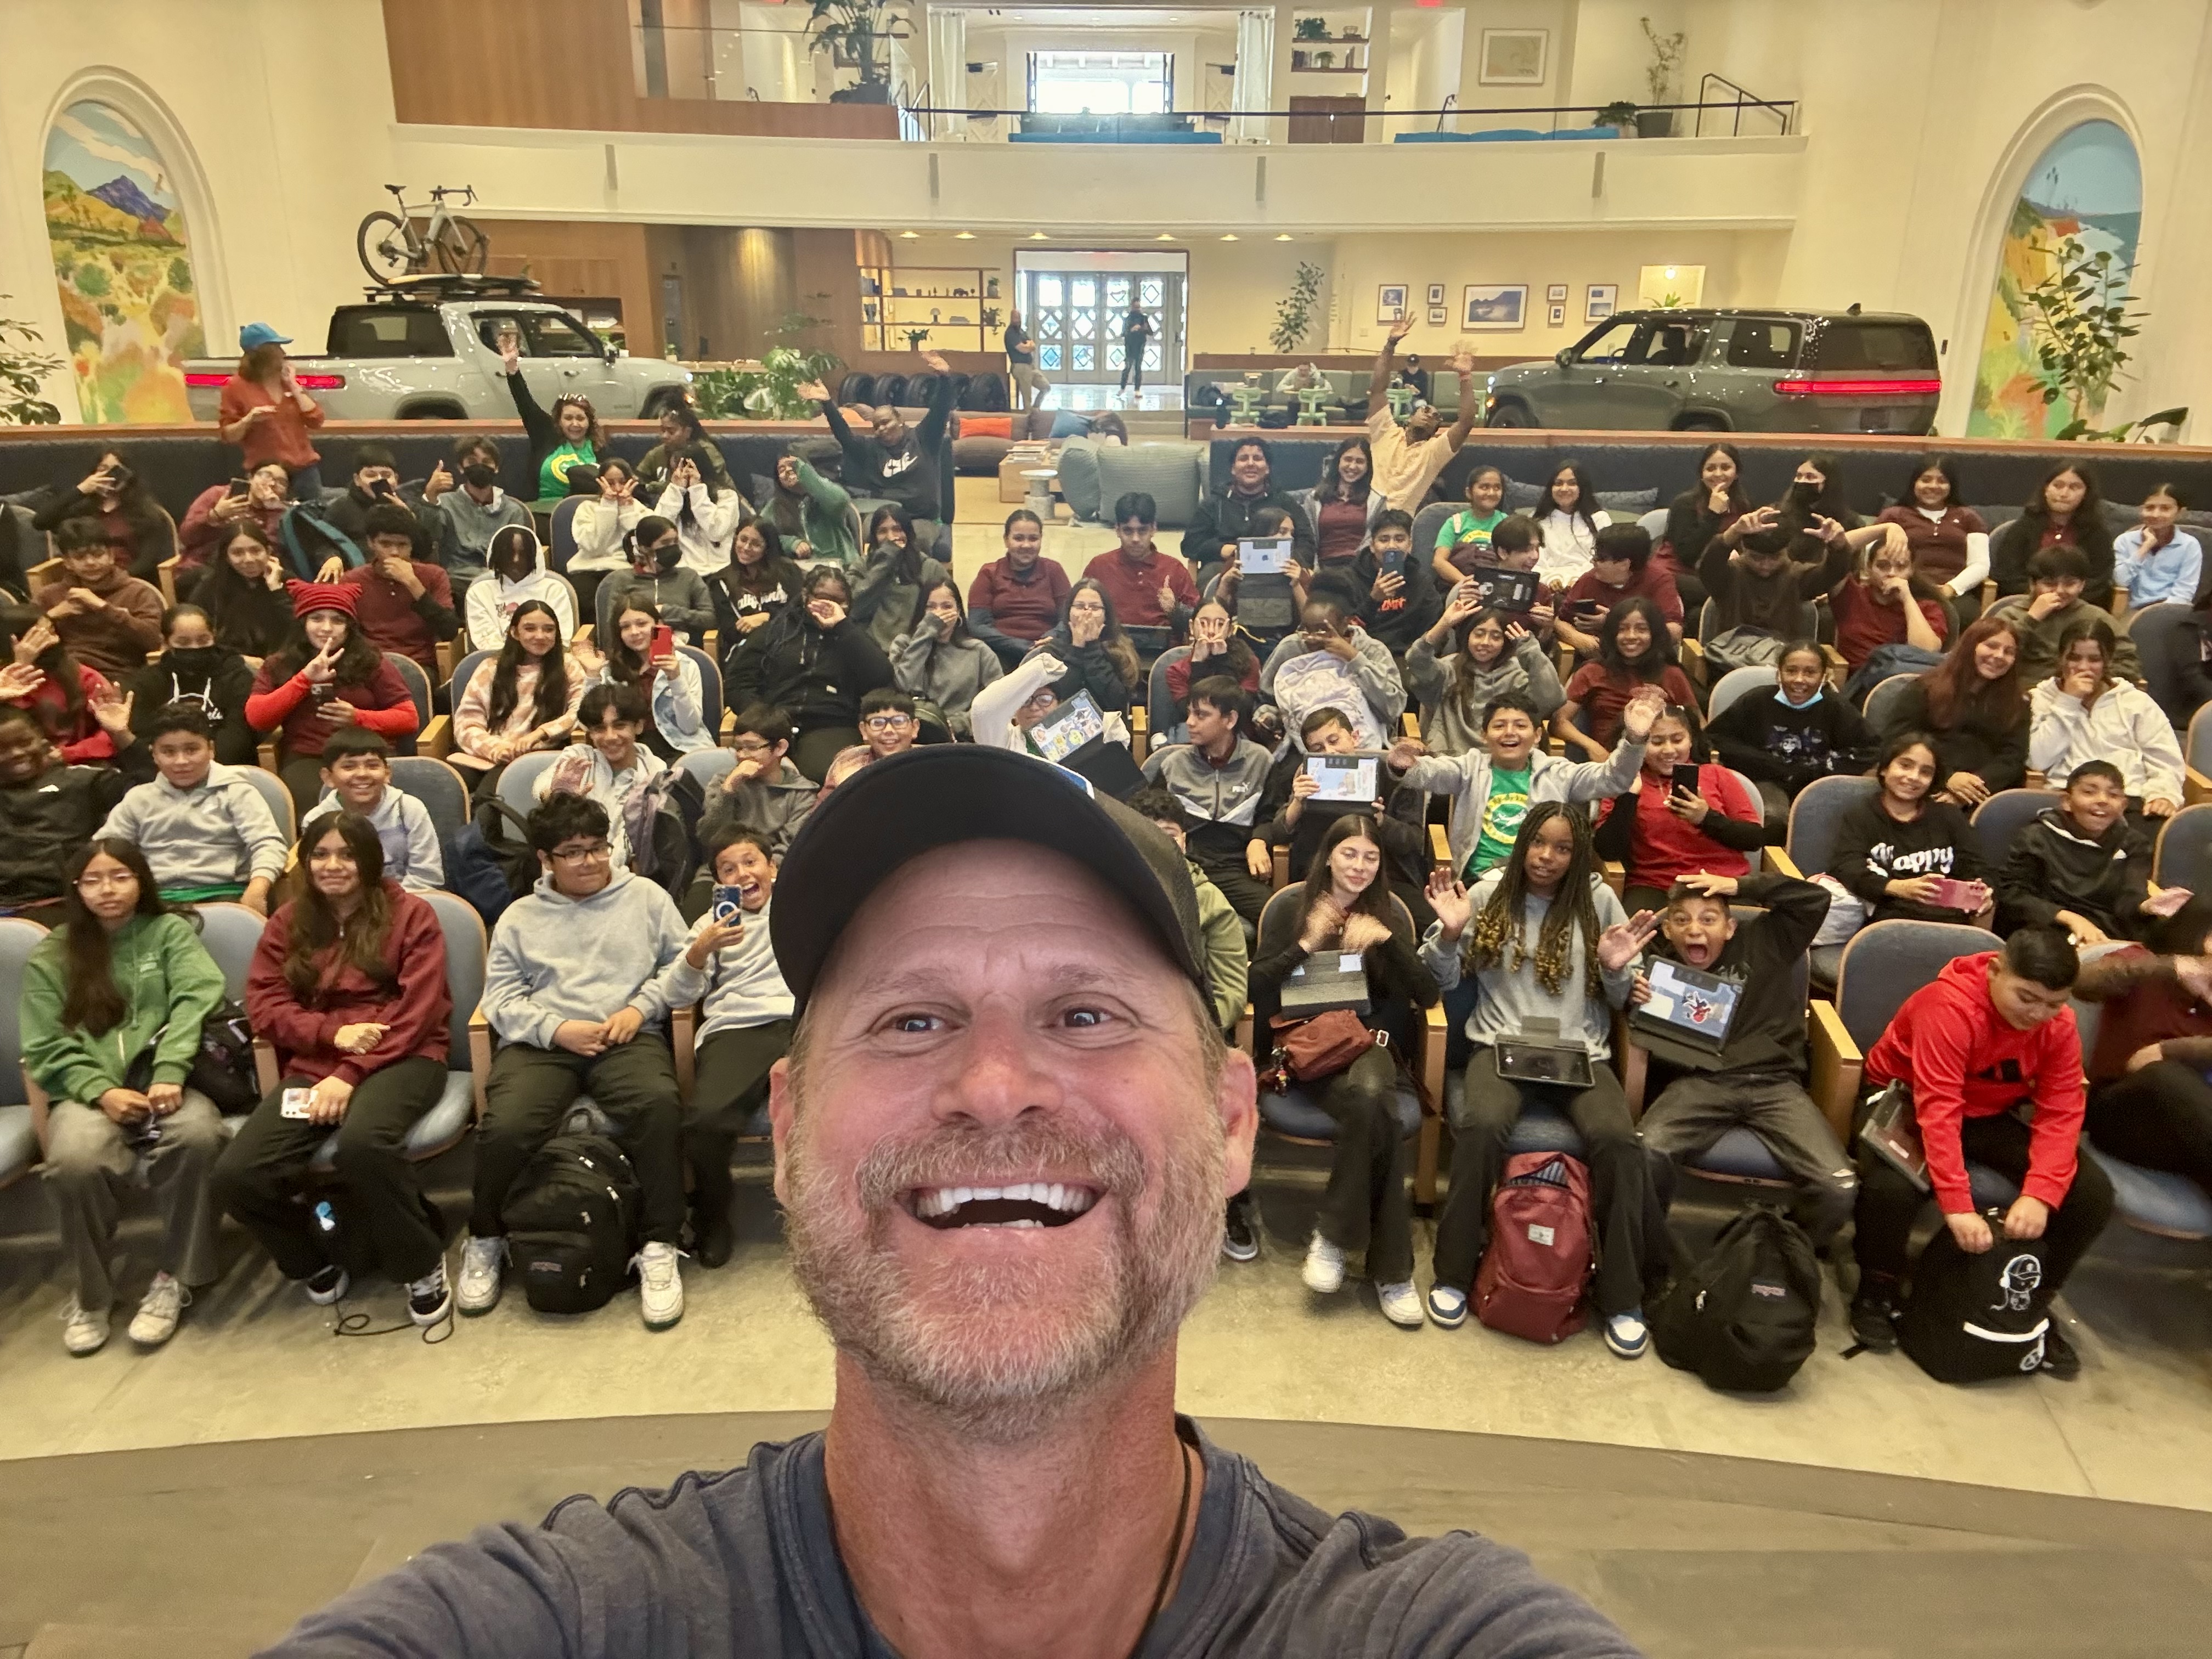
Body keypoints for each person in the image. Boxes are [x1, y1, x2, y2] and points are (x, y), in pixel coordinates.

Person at [268, 743, 1637, 1654]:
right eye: (912, 1020)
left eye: (1088, 1012)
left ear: (1229, 1124)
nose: (994, 1087)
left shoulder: (1434, 1632)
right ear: (791, 1138)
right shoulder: (573, 1620)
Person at [1420, 805, 1666, 1355]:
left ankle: (1623, 1297)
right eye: (1538, 844)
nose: (1546, 858)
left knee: (1619, 1141)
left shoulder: (1598, 902)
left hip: (1580, 1053)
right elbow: (1432, 979)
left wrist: (1617, 969)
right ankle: (1454, 1274)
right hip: (1501, 1046)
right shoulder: (1486, 894)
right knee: (1480, 1125)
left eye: (1561, 848)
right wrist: (1450, 935)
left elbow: (1626, 996)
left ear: (1576, 856)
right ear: (1521, 844)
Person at [456, 792, 692, 1329]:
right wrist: (556, 1029)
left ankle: (660, 1242)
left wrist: (640, 1008)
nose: (589, 861)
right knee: (506, 1127)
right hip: (547, 1043)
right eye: (572, 852)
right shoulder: (520, 917)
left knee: (658, 1107)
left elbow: (683, 970)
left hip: (624, 1034)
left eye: (597, 848)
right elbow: (501, 999)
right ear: (545, 860)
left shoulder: (648, 899)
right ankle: (487, 1237)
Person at [212, 810, 456, 1324]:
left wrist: (351, 1073)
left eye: (347, 854)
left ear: (369, 861)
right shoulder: (288, 922)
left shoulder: (411, 915)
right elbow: (265, 1003)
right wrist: (329, 1037)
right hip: (316, 1064)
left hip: (406, 1058)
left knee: (364, 1146)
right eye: (320, 854)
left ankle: (420, 1262)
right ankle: (312, 1257)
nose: (333, 865)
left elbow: (419, 1011)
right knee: (238, 1174)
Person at [1847, 926, 2114, 1379]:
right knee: (1890, 1187)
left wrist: (2041, 1193)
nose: (2039, 1014)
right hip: (1904, 1098)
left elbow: (2062, 1110)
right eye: (2027, 997)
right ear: (1994, 972)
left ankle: (2030, 1301)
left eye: (2055, 1004)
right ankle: (1879, 1285)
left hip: (1989, 1112)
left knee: (2089, 1192)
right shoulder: (1948, 1007)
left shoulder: (2058, 1025)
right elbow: (1938, 1107)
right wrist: (1958, 1205)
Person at [22, 838, 228, 1355]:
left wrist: (171, 1071)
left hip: (170, 1083)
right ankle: (92, 1295)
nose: (107, 889)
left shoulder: (169, 933)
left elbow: (196, 1001)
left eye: (119, 876)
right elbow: (45, 1042)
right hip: (90, 1091)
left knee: (199, 1137)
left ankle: (175, 1279)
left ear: (141, 881)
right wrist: (101, 1090)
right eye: (92, 880)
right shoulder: (54, 952)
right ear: (76, 890)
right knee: (74, 1160)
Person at [1248, 814, 1437, 1327]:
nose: (1359, 866)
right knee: (1377, 1111)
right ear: (1329, 856)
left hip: (1367, 1048)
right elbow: (1255, 988)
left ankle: (1332, 1238)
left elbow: (1428, 994)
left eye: (1370, 857)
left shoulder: (1388, 915)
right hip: (1306, 1050)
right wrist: (1306, 945)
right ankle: (1393, 1271)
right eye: (1349, 853)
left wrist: (1386, 941)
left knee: (1371, 1093)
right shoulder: (1295, 908)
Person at [1632, 870, 1856, 1250]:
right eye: (1682, 920)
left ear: (1731, 927)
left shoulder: (1768, 939)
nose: (1695, 931)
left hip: (1775, 1085)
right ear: (1668, 930)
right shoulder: (1659, 964)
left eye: (1708, 919)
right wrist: (1627, 989)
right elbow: (1623, 994)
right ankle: (1652, 1257)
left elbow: (1814, 900)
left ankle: (1782, 1252)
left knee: (1838, 1186)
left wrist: (1743, 886)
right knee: (1646, 1152)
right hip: (1701, 1082)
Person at [660, 827, 791, 1268]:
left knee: (849, 1107)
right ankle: (713, 1217)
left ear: (772, 867)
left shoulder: (803, 903)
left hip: (804, 1022)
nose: (743, 875)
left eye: (751, 862)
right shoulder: (708, 925)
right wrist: (701, 951)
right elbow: (677, 996)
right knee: (705, 1121)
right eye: (728, 869)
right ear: (719, 883)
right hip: (738, 1029)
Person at [1394, 684, 1659, 883]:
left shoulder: (1558, 773)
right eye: (1499, 726)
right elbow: (1427, 773)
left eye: (1520, 725)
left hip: (1543, 880)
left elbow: (1614, 779)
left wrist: (1635, 739)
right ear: (1485, 736)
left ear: (1537, 735)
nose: (1510, 732)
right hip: (1480, 880)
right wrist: (1402, 763)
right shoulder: (1470, 767)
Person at [2075, 897, 2212, 1217]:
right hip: (2122, 1112)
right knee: (2164, 1076)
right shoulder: (2142, 962)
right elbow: (2080, 982)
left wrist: (2168, 1050)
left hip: (2190, 1129)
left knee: (2168, 1070)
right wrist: (2170, 968)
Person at [245, 585, 421, 812]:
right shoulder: (279, 664)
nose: (327, 628)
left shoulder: (372, 661)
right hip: (310, 758)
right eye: (317, 619)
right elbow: (258, 718)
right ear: (303, 624)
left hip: (367, 754)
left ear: (349, 627)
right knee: (323, 814)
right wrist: (304, 679)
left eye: (337, 620)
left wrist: (357, 718)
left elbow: (409, 718)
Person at [97, 702, 284, 910]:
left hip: (225, 895)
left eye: (192, 750)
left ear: (211, 749)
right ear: (154, 754)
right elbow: (106, 849)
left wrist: (257, 889)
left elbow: (267, 844)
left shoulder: (237, 792)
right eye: (168, 752)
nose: (181, 761)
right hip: (155, 899)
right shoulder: (138, 799)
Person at [1254, 706, 1430, 921]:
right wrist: (1298, 802)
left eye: (1334, 740)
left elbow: (1412, 841)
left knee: (1425, 922)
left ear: (1354, 737)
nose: (1329, 752)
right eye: (1318, 748)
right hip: (1323, 877)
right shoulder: (1310, 774)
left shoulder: (1396, 773)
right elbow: (1280, 834)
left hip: (1387, 877)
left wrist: (1382, 821)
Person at [726, 565, 894, 782]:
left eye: (838, 601)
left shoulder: (854, 638)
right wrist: (762, 715)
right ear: (806, 596)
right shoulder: (775, 632)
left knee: (825, 775)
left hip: (830, 723)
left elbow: (881, 677)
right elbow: (737, 682)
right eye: (822, 598)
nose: (829, 606)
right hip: (772, 721)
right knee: (753, 774)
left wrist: (842, 628)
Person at [1593, 703, 1763, 914]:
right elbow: (1608, 850)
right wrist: (1629, 797)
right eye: (1656, 742)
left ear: (1690, 740)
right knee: (1634, 935)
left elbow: (1754, 839)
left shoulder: (1718, 775)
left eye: (1677, 740)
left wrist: (1706, 818)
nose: (1669, 750)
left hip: (1723, 881)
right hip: (1657, 886)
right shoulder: (1624, 781)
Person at [0, 699, 153, 915]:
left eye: (25, 743)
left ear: (43, 742)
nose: (16, 753)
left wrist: (121, 735)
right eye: (2, 749)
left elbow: (151, 789)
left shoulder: (82, 781)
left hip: (63, 903)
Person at [1141, 675, 1272, 923]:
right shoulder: (1174, 764)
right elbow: (1150, 814)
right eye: (1190, 713)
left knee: (1279, 916)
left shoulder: (1260, 761)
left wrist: (1259, 840)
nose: (1190, 723)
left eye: (1201, 715)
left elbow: (1270, 812)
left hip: (1235, 867)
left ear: (1230, 720)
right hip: (1184, 865)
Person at [1706, 639, 1873, 834]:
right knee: (1774, 818)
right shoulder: (1757, 701)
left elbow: (1869, 750)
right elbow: (1716, 737)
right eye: (1791, 671)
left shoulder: (1836, 707)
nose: (1799, 680)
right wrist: (1769, 764)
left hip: (1816, 784)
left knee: (1830, 825)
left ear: (1824, 677)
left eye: (1810, 673)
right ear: (1779, 674)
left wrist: (1818, 769)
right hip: (1767, 781)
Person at [1827, 731, 1992, 926]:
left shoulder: (1949, 816)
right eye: (1905, 766)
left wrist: (1984, 890)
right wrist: (1897, 887)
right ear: (1884, 769)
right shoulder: (1862, 816)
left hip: (1950, 923)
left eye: (1926, 772)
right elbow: (1846, 867)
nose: (1914, 777)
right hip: (1890, 923)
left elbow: (1979, 867)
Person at [2028, 614, 2182, 821]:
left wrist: (2163, 794)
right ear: (2061, 659)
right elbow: (2038, 760)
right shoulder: (2041, 699)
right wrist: (2068, 701)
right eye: (2074, 658)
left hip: (2129, 800)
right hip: (2067, 802)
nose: (2084, 668)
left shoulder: (2135, 702)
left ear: (2107, 661)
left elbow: (2165, 761)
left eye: (2094, 660)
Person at [1874, 616, 2028, 808]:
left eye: (2009, 652)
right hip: (1924, 785)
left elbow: (2013, 758)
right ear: (1970, 646)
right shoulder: (1925, 689)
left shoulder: (2017, 704)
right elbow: (1897, 740)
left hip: (1984, 795)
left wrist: (1971, 789)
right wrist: (1947, 777)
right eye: (1991, 646)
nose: (1999, 656)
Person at [1996, 759, 2155, 943]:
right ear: (2067, 801)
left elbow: (2130, 898)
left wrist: (2145, 906)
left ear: (2123, 805)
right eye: (2089, 792)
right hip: (2049, 927)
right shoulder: (2036, 837)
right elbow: (2013, 896)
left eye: (2113, 795)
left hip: (2108, 930)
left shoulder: (2134, 843)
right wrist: (2071, 919)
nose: (2102, 800)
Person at [802, 353, 958, 531]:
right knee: (868, 534)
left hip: (922, 518)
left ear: (900, 421)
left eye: (885, 422)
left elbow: (940, 410)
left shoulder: (923, 438)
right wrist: (828, 404)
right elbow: (844, 436)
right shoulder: (870, 449)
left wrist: (945, 379)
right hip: (884, 515)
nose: (881, 429)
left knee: (914, 542)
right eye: (876, 427)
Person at [1407, 593, 1564, 755]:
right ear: (1468, 636)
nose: (1486, 643)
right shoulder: (1449, 668)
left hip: (1503, 761)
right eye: (1479, 634)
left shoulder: (1517, 673)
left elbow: (1551, 698)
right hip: (1451, 760)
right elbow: (1416, 661)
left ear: (1505, 641)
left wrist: (1531, 652)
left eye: (1496, 637)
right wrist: (1444, 624)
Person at [537, 682, 668, 873]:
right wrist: (559, 795)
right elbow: (541, 788)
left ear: (638, 726)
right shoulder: (577, 757)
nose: (610, 737)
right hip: (566, 873)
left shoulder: (656, 772)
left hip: (623, 877)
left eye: (619, 726)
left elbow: (637, 844)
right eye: (599, 729)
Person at [1696, 515, 1864, 660]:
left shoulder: (1796, 576)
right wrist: (1732, 533)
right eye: (1756, 558)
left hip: (1782, 668)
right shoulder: (1729, 576)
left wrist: (1838, 547)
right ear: (1744, 550)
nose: (1765, 565)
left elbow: (1834, 573)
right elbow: (1708, 566)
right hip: (1729, 660)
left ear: (1786, 552)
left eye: (1774, 558)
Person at [452, 599, 585, 779]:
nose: (540, 636)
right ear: (514, 632)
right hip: (489, 753)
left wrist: (541, 734)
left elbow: (579, 712)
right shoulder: (490, 668)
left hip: (541, 754)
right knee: (448, 782)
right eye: (530, 629)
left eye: (549, 629)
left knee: (492, 794)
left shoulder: (569, 665)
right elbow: (467, 723)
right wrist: (497, 749)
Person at [1260, 588, 1403, 751]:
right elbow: (1268, 699)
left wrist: (1354, 658)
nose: (1312, 638)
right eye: (1306, 629)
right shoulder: (1291, 648)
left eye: (1322, 630)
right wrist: (1268, 717)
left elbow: (1393, 708)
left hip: (1364, 742)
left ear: (1345, 623)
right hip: (1303, 745)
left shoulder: (1372, 650)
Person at [1555, 596, 1696, 760]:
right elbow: (1559, 722)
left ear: (1654, 634)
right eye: (1622, 629)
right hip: (1610, 763)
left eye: (1641, 629)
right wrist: (1592, 747)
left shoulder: (1672, 674)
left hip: (1662, 762)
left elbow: (1696, 724)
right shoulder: (1592, 671)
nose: (1631, 636)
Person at [1361, 320, 1479, 511]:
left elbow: (1466, 423)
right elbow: (1377, 390)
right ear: (1409, 418)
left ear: (1435, 431)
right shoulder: (1385, 432)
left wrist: (1465, 376)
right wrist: (1390, 344)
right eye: (1425, 410)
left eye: (1436, 416)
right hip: (1365, 512)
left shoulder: (1433, 452)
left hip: (1400, 523)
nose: (1430, 415)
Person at [573, 599, 711, 761]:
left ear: (659, 625)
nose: (634, 632)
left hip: (679, 747)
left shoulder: (685, 665)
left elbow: (689, 727)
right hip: (626, 749)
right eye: (625, 627)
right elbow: (586, 725)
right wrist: (593, 677)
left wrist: (675, 679)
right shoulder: (609, 670)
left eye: (641, 624)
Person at [123, 603, 260, 766]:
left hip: (225, 768)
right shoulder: (147, 681)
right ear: (166, 642)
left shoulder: (236, 676)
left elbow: (239, 735)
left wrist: (199, 766)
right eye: (183, 642)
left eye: (203, 640)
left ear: (214, 636)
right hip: (162, 770)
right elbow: (142, 736)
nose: (195, 647)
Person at [1983, 546, 2142, 685]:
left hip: (2082, 696)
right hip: (2023, 694)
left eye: (2070, 584)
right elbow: (1992, 656)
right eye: (2050, 584)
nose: (2060, 591)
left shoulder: (2095, 616)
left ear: (2082, 585)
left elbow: (2127, 661)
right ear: (2033, 584)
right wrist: (2032, 619)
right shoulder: (2011, 614)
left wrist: (2095, 682)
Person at [310, 728, 443, 892]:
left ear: (387, 773)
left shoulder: (409, 810)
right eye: (349, 767)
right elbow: (319, 881)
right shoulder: (316, 819)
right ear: (328, 777)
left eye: (372, 766)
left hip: (406, 902)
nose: (362, 774)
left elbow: (427, 877)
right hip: (342, 906)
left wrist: (384, 907)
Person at [1829, 521, 1950, 699]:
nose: (1892, 573)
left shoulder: (1927, 607)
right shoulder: (1850, 594)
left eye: (1901, 567)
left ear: (1911, 572)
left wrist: (1907, 599)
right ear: (1868, 569)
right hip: (1859, 686)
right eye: (1883, 566)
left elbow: (1926, 652)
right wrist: (1885, 528)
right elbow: (1838, 547)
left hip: (1907, 686)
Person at [338, 503, 460, 678]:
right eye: (386, 544)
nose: (395, 552)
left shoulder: (434, 575)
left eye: (402, 545)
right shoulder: (352, 580)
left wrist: (413, 584)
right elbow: (345, 633)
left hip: (419, 665)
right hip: (368, 664)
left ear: (412, 546)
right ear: (371, 543)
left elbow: (450, 630)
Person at [35, 520, 164, 680]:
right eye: (80, 557)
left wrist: (104, 608)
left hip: (119, 674)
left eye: (98, 555)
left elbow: (153, 641)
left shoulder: (137, 592)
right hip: (65, 674)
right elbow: (23, 642)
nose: (90, 563)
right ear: (68, 562)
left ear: (111, 556)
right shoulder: (49, 595)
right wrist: (52, 616)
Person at [31, 452, 177, 582]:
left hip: (129, 581)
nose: (110, 476)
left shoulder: (146, 513)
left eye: (116, 470)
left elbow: (147, 561)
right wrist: (81, 490)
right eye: (103, 469)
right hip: (82, 579)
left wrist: (114, 582)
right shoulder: (80, 509)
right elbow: (40, 522)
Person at [1990, 460, 2116, 606]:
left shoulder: (2097, 533)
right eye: (2058, 486)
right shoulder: (2024, 527)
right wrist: (2039, 597)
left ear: (2086, 494)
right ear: (2046, 489)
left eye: (2074, 487)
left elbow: (2099, 579)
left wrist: (2067, 599)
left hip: (2078, 606)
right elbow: (2007, 574)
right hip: (2027, 603)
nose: (2064, 494)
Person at [218, 322, 325, 493]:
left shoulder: (287, 381)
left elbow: (316, 420)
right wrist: (249, 420)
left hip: (305, 472)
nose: (284, 353)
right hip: (268, 475)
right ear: (262, 355)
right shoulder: (235, 387)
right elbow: (229, 435)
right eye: (277, 348)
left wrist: (294, 387)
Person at [1875, 455, 1991, 611]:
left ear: (1951, 486)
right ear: (1914, 483)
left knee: (1961, 612)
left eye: (1942, 481)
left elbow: (1980, 564)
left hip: (1954, 594)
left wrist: (1950, 589)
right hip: (1902, 588)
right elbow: (1870, 556)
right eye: (1926, 480)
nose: (1933, 486)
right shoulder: (1893, 515)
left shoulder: (1969, 517)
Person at [1183, 437, 1314, 574]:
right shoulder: (1214, 503)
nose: (1251, 464)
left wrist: (1291, 561)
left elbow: (1307, 542)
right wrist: (1222, 549)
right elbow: (1190, 544)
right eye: (1243, 459)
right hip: (1223, 567)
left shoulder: (1285, 503)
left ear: (1268, 468)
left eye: (1257, 458)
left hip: (1276, 567)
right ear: (1233, 468)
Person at [891, 578, 1002, 741]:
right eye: (931, 608)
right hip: (909, 735)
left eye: (947, 607)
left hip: (962, 736)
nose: (939, 614)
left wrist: (958, 724)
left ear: (958, 613)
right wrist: (925, 633)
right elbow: (902, 686)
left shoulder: (978, 650)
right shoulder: (904, 644)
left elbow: (998, 699)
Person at [700, 703, 817, 857]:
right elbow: (709, 839)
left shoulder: (802, 794)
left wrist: (757, 868)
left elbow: (791, 848)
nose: (742, 755)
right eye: (738, 748)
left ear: (780, 748)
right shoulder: (723, 782)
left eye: (752, 748)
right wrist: (728, 791)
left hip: (775, 872)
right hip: (722, 867)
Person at [1553, 522, 1684, 657]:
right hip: (1597, 657)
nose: (1593, 562)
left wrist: (1615, 623)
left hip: (1646, 658)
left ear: (1624, 564)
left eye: (1601, 558)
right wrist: (1578, 638)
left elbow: (1674, 631)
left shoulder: (1660, 580)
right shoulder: (1590, 579)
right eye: (1595, 555)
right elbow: (1560, 621)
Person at [1083, 492, 1199, 643]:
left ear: (1153, 529)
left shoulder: (1174, 569)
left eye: (1142, 530)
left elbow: (1198, 622)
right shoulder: (1099, 567)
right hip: (1109, 651)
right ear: (1117, 530)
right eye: (1128, 531)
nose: (1135, 539)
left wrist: (1175, 610)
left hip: (1162, 655)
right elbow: (1079, 612)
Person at [420, 435, 533, 588]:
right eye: (472, 462)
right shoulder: (444, 503)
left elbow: (517, 556)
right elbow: (426, 540)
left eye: (486, 462)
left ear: (496, 468)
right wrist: (430, 497)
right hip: (454, 580)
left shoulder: (513, 510)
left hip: (498, 582)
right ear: (461, 467)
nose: (480, 466)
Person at [5, 611, 117, 764]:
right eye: (39, 636)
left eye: (52, 631)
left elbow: (112, 730)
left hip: (77, 761)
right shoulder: (3, 681)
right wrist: (20, 667)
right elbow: (10, 726)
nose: (53, 640)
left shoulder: (83, 676)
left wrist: (68, 753)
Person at [966, 507, 1069, 669]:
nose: (1026, 545)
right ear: (1006, 540)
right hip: (999, 653)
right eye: (1018, 538)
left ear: (1041, 539)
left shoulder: (1054, 571)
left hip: (1048, 652)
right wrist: (1020, 646)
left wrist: (1050, 638)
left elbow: (1067, 620)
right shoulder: (989, 573)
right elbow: (977, 626)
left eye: (1033, 539)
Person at [498, 338, 601, 500]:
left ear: (589, 422)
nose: (575, 424)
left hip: (587, 511)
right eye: (568, 418)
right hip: (543, 510)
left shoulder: (599, 450)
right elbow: (526, 404)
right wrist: (512, 369)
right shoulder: (546, 437)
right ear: (559, 421)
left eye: (581, 418)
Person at [1026, 577, 1139, 718]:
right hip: (1059, 727)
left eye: (1095, 607)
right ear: (1069, 612)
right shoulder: (1053, 650)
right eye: (1080, 607)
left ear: (1106, 615)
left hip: (1106, 730)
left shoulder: (1120, 649)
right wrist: (1077, 647)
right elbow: (1060, 701)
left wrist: (1092, 648)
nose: (1087, 613)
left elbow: (1116, 702)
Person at [597, 515, 715, 645]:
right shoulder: (620, 579)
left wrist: (667, 612)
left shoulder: (689, 577)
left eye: (675, 542)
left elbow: (709, 619)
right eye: (665, 543)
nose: (673, 547)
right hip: (633, 650)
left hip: (680, 649)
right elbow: (611, 628)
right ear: (645, 548)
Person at [853, 504, 952, 656]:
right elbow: (855, 608)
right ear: (874, 537)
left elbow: (949, 611)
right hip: (872, 652)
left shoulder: (930, 568)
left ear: (908, 533)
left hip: (919, 649)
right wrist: (885, 562)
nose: (891, 537)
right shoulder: (862, 566)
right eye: (882, 531)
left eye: (897, 529)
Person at [194, 521, 297, 662]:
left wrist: (276, 590)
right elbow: (198, 639)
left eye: (256, 551)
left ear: (268, 552)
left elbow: (299, 631)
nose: (248, 560)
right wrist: (239, 660)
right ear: (227, 557)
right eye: (237, 553)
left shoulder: (287, 581)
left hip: (281, 665)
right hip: (230, 666)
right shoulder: (210, 588)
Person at [1345, 508, 1441, 657]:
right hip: (1361, 655)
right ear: (1372, 546)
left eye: (1399, 539)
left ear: (1410, 545)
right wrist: (1373, 600)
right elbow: (1344, 630)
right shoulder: (1350, 578)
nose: (1392, 546)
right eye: (1384, 540)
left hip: (1407, 656)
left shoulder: (1421, 580)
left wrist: (1416, 655)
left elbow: (1434, 625)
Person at [464, 524, 574, 655]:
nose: (516, 560)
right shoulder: (480, 592)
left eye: (523, 554)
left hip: (547, 661)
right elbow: (485, 641)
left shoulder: (554, 589)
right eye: (509, 554)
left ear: (534, 556)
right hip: (497, 663)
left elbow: (562, 639)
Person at [1662, 442, 1753, 597]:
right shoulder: (1684, 503)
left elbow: (1748, 547)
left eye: (1725, 468)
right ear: (1702, 474)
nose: (1718, 474)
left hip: (1719, 573)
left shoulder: (1743, 506)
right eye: (1711, 469)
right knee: (1730, 594)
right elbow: (1687, 555)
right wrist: (1714, 513)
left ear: (1737, 473)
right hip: (1679, 573)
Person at [177, 460, 292, 579]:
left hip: (252, 569)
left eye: (281, 482)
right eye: (266, 476)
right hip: (203, 566)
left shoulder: (283, 513)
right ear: (250, 478)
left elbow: (273, 552)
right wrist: (215, 515)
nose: (272, 483)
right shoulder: (218, 495)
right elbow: (186, 538)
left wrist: (273, 512)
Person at [568, 459, 645, 627]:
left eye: (622, 482)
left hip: (625, 569)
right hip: (588, 568)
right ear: (600, 483)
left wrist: (627, 510)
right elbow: (593, 546)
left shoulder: (640, 509)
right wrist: (608, 507)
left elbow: (640, 548)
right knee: (585, 599)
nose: (617, 489)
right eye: (610, 483)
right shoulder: (586, 508)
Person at [651, 449, 748, 582]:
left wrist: (697, 489)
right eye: (676, 470)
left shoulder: (727, 496)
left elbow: (716, 532)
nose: (683, 475)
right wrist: (676, 490)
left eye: (688, 470)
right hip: (682, 573)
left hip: (721, 571)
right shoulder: (673, 495)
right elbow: (657, 530)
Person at [709, 517, 806, 648]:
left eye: (755, 544)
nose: (746, 548)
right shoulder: (720, 581)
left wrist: (768, 618)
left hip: (787, 643)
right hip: (747, 649)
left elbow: (801, 612)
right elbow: (730, 631)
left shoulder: (788, 571)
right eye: (743, 540)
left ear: (767, 547)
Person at [2110, 482, 2201, 613]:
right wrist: (2144, 548)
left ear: (2181, 513)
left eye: (2165, 509)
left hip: (2172, 610)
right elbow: (2121, 581)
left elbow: (2184, 593)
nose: (2156, 514)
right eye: (2150, 508)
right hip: (2132, 610)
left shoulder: (2189, 545)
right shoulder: (2124, 541)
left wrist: (2156, 616)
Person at [762, 452, 858, 569]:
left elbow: (840, 501)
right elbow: (762, 534)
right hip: (801, 572)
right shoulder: (775, 506)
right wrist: (791, 544)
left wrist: (805, 474)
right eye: (781, 470)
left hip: (841, 567)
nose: (788, 470)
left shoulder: (824, 493)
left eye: (792, 466)